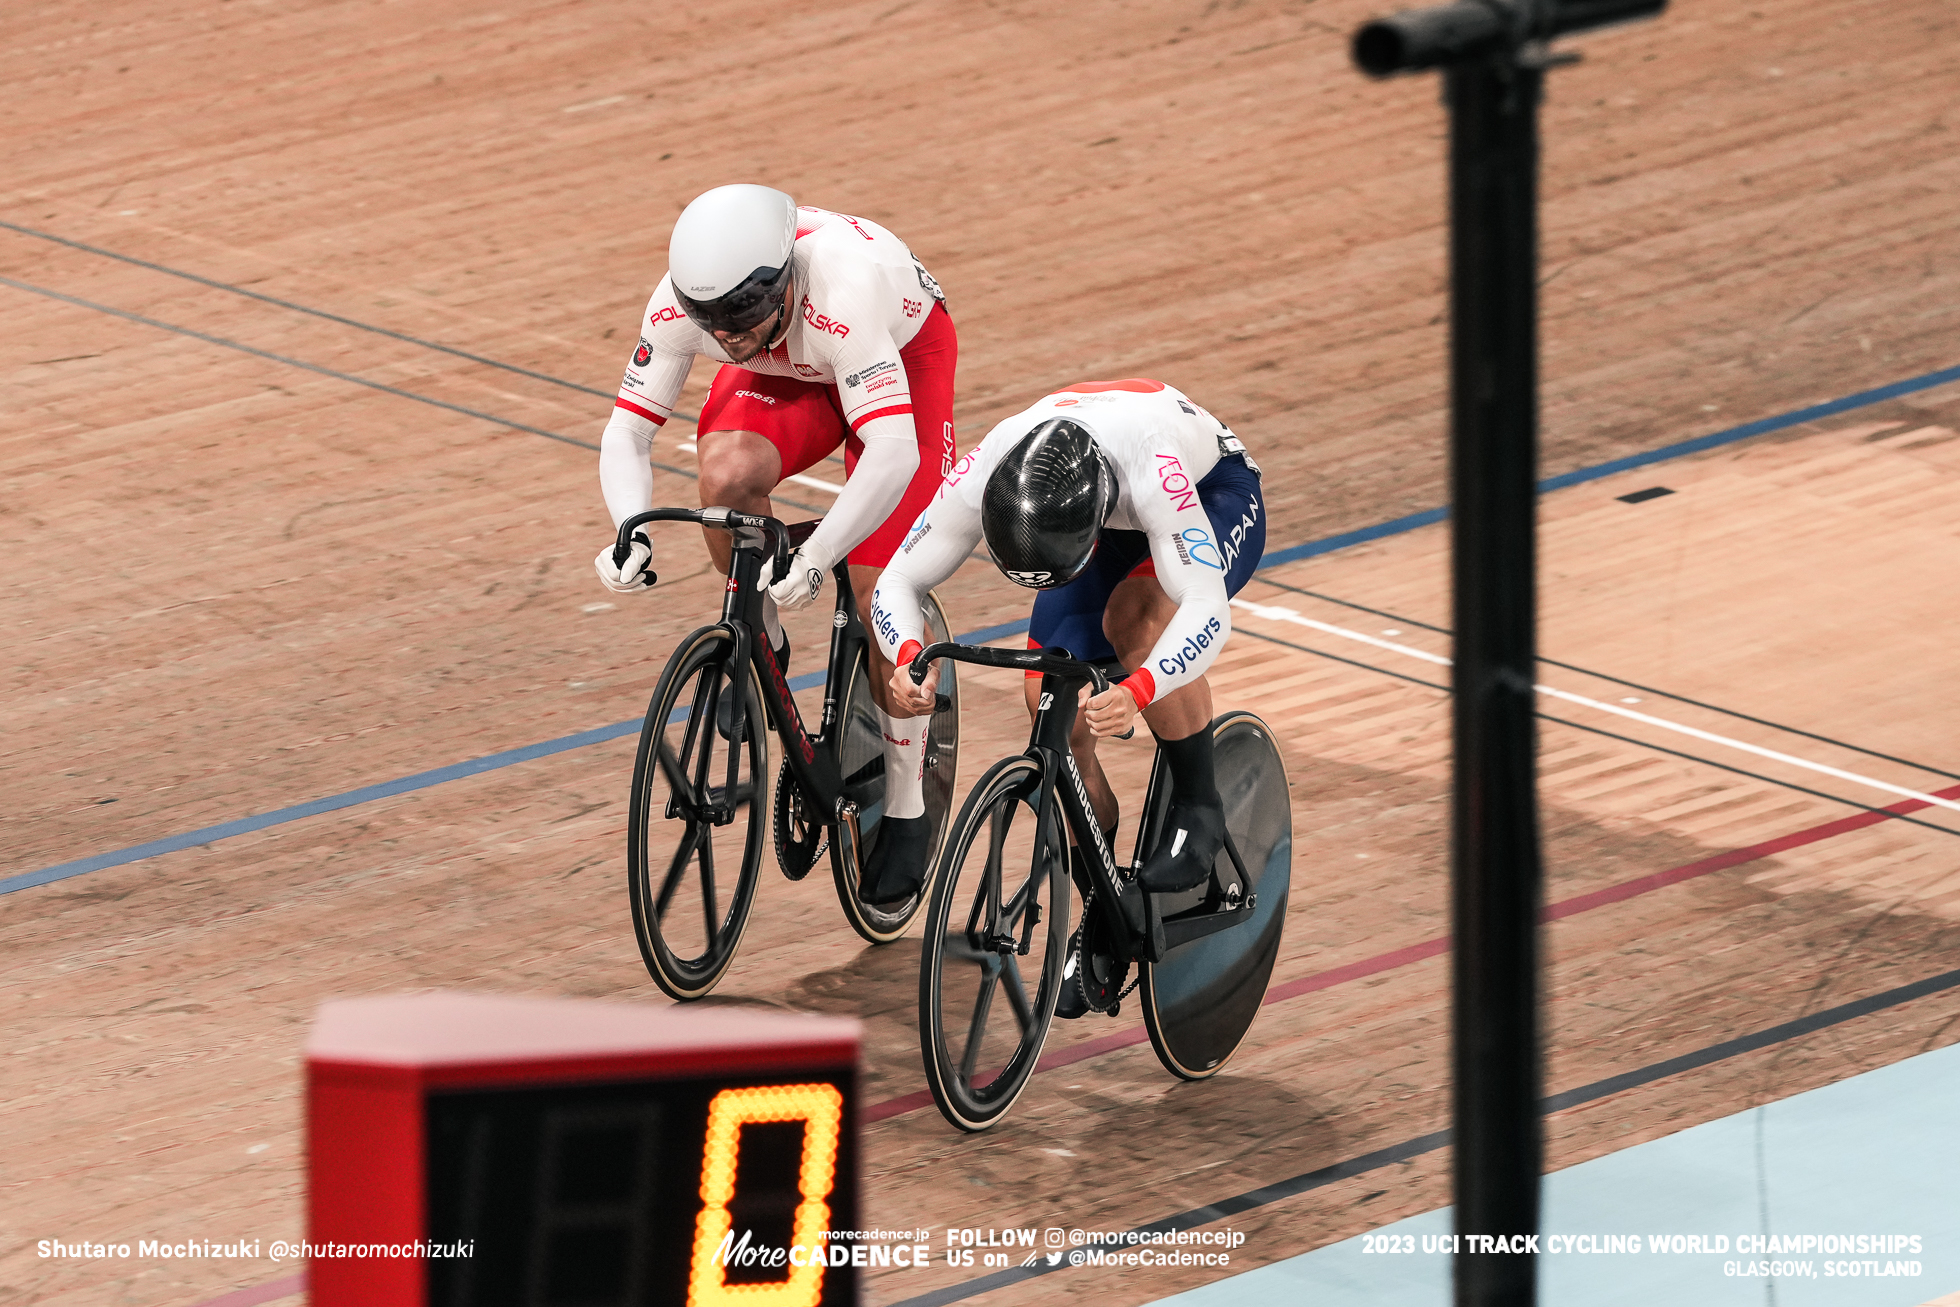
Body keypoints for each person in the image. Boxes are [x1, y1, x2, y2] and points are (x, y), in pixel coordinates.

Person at [592, 184, 957, 903]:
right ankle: (766, 638)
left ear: (782, 281)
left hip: (898, 359)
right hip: (794, 367)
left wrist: (821, 559)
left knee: (881, 593)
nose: (727, 335)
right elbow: (629, 431)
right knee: (725, 479)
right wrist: (627, 529)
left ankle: (910, 807)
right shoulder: (689, 305)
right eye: (711, 321)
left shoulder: (841, 292)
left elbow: (893, 454)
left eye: (742, 316)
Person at [872, 379, 1266, 938]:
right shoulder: (990, 465)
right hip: (1098, 519)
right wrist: (908, 655)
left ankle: (1199, 806)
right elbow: (899, 580)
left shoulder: (1155, 468)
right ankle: (1101, 885)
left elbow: (1206, 610)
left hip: (1211, 494)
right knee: (1049, 699)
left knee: (1133, 620)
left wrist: (1139, 689)